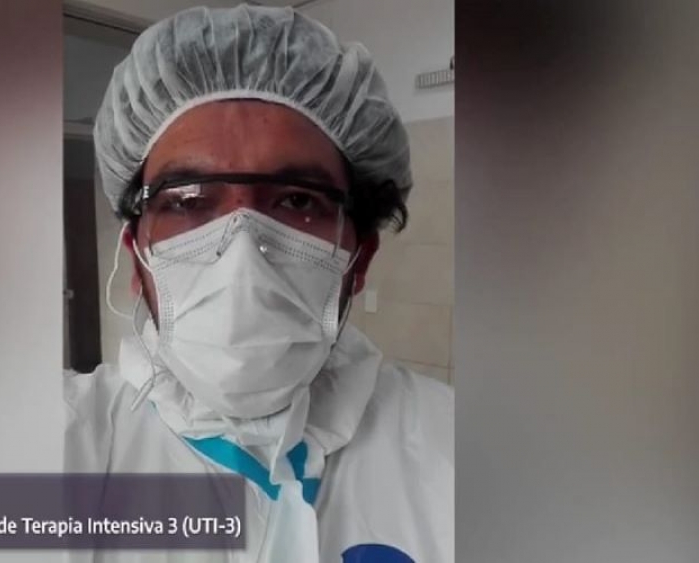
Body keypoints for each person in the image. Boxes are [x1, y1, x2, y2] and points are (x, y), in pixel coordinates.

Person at [65, 5, 453, 562]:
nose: (241, 256)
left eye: (297, 200)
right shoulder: (58, 444)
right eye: (187, 201)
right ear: (136, 256)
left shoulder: (460, 451)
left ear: (360, 257)